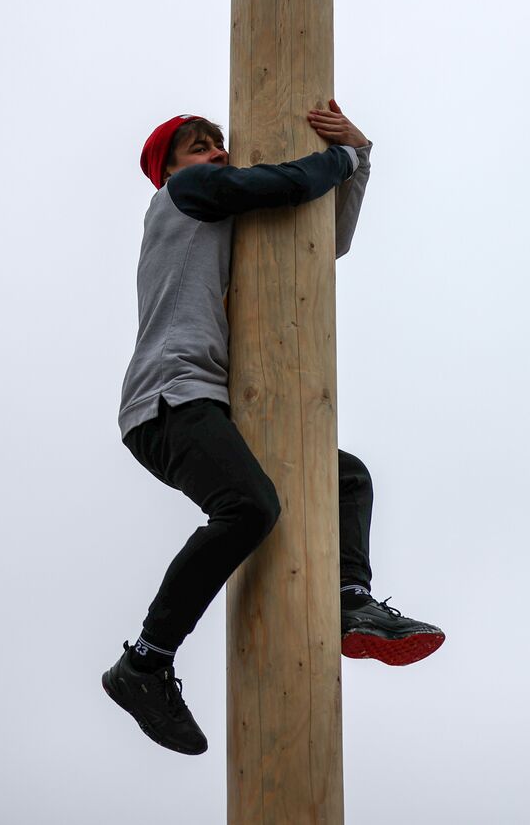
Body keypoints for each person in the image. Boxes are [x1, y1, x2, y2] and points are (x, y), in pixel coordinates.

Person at [102, 103, 444, 756]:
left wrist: (362, 159)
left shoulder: (222, 219)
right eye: (198, 147)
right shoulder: (186, 194)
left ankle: (350, 599)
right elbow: (280, 185)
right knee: (247, 508)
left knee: (343, 476)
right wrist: (338, 158)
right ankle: (143, 663)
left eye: (217, 145)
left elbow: (323, 236)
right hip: (168, 399)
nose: (215, 154)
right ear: (170, 170)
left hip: (213, 401)